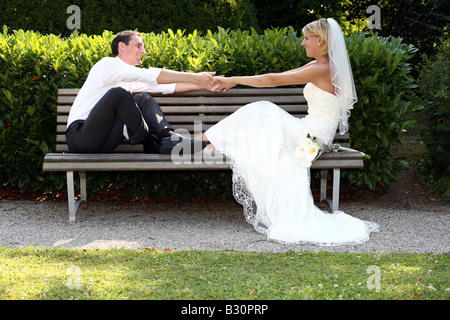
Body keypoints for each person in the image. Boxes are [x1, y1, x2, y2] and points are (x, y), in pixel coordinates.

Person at [204, 18, 379, 245]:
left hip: (311, 136)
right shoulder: (320, 65)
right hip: (309, 131)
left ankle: (203, 140)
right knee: (262, 117)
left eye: (307, 38)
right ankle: (207, 141)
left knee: (263, 109)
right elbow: (280, 74)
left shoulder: (323, 68)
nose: (303, 43)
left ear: (320, 40)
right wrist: (235, 81)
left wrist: (233, 80)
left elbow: (275, 80)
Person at [66, 30, 214, 155]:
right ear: (122, 46)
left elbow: (165, 86)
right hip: (80, 138)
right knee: (118, 94)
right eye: (138, 46)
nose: (143, 51)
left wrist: (205, 83)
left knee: (142, 98)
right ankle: (150, 142)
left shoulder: (128, 78)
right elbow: (150, 75)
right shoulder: (107, 64)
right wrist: (195, 77)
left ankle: (169, 138)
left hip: (104, 143)